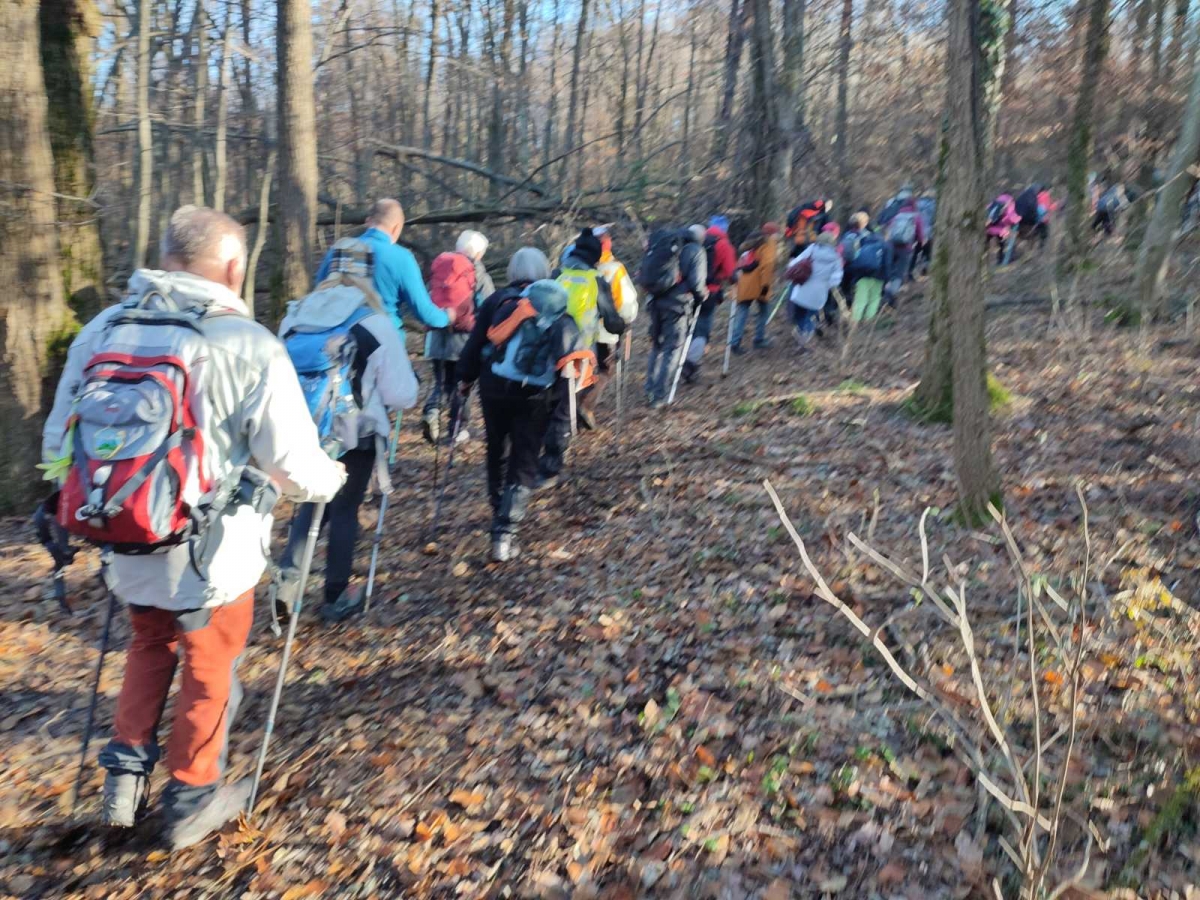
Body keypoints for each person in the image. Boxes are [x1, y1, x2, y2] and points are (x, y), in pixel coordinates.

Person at [41, 206, 346, 848]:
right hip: (213, 548)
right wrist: (331, 480)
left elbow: (57, 441)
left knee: (149, 643)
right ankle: (191, 794)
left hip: (121, 527)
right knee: (209, 658)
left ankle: (122, 787)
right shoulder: (246, 341)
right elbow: (290, 461)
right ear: (233, 266)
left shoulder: (103, 329)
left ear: (165, 257)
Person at [277, 241, 418, 623]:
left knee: (309, 508)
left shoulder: (293, 319)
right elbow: (402, 394)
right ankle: (336, 596)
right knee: (343, 510)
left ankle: (288, 590)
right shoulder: (373, 323)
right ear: (367, 276)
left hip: (305, 432)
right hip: (356, 434)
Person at [458, 268, 591, 562]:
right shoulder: (563, 321)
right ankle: (505, 534)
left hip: (495, 389)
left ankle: (497, 508)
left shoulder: (502, 303)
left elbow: (475, 344)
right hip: (536, 398)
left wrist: (465, 380)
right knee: (525, 457)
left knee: (497, 447)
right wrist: (562, 422)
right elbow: (570, 375)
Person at [540, 227, 625, 476]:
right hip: (579, 354)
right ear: (595, 257)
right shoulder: (595, 280)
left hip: (548, 349)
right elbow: (611, 321)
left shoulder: (557, 274)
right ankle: (552, 463)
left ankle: (535, 453)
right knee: (565, 407)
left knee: (547, 403)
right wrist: (623, 327)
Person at [315, 198, 454, 336]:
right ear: (396, 227)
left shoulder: (339, 251)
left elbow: (320, 292)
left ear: (369, 221)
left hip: (339, 341)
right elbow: (424, 312)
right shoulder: (402, 258)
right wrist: (446, 317)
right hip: (384, 341)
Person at [422, 230, 489, 445]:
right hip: (463, 341)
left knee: (441, 383)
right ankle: (457, 430)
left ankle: (432, 410)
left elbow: (426, 300)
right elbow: (487, 306)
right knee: (462, 385)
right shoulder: (478, 273)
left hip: (436, 337)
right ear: (478, 254)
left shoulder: (441, 267)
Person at [639, 225, 708, 408]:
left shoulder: (668, 245)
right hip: (677, 306)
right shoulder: (696, 251)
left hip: (655, 302)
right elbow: (696, 283)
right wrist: (703, 295)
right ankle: (660, 396)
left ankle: (650, 388)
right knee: (672, 349)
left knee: (657, 345)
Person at [682, 215, 736, 383]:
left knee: (688, 328)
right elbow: (730, 272)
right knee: (702, 331)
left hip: (687, 291)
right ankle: (689, 365)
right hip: (709, 293)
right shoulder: (724, 244)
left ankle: (680, 363)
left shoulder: (691, 241)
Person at [592, 226, 639, 414]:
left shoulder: (580, 265)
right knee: (606, 368)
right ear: (607, 244)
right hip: (606, 330)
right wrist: (628, 320)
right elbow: (626, 301)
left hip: (581, 329)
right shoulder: (614, 269)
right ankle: (585, 406)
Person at [785, 226, 843, 349]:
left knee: (800, 314)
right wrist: (826, 284)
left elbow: (794, 263)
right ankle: (806, 336)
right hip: (819, 294)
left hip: (802, 289)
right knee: (810, 315)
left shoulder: (812, 249)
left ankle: (802, 336)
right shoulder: (836, 258)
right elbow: (836, 280)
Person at [729, 222, 780, 353]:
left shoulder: (754, 241)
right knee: (763, 312)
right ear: (773, 233)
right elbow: (767, 267)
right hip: (759, 284)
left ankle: (734, 343)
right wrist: (765, 287)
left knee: (742, 313)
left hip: (745, 283)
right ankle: (759, 339)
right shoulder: (769, 245)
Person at [842, 214, 892, 322]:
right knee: (874, 299)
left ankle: (854, 322)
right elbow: (887, 263)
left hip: (862, 275)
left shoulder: (864, 241)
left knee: (860, 300)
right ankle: (868, 321)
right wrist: (887, 279)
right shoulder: (885, 245)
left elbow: (858, 257)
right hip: (878, 276)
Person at [882, 188, 926, 289]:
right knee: (899, 272)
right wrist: (921, 242)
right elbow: (920, 234)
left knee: (891, 269)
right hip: (906, 247)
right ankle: (891, 295)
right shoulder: (916, 216)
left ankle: (885, 289)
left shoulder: (898, 215)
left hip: (892, 245)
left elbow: (889, 227)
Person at [986, 193, 1022, 265]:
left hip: (990, 228)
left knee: (994, 242)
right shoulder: (1010, 202)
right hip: (1001, 229)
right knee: (1007, 240)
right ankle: (1004, 259)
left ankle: (992, 260)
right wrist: (1017, 219)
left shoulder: (995, 202)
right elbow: (1010, 217)